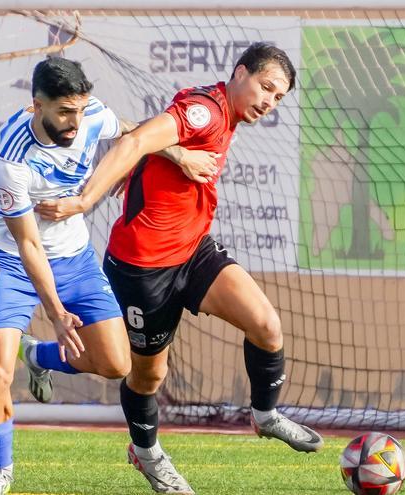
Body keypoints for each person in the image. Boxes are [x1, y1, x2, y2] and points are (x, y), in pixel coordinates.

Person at [36, 42, 324, 494]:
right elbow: (134, 139)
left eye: (278, 97)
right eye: (265, 87)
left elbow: (154, 138)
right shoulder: (206, 112)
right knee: (144, 375)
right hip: (143, 269)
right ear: (240, 73)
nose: (268, 102)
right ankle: (144, 451)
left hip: (193, 251)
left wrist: (168, 157)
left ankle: (265, 415)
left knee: (267, 325)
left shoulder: (221, 112)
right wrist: (84, 200)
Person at [0, 56, 218, 495]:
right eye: (65, 112)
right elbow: (29, 244)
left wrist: (177, 154)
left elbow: (128, 131)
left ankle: (39, 356)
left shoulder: (90, 116)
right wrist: (56, 312)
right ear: (36, 106)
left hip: (75, 259)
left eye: (80, 110)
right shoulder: (11, 155)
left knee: (116, 363)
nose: (75, 122)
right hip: (12, 261)